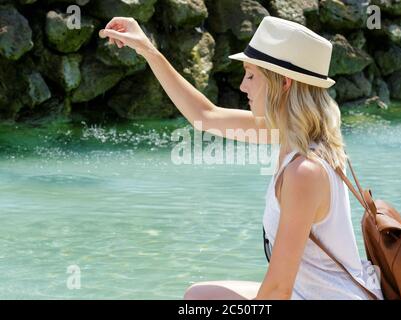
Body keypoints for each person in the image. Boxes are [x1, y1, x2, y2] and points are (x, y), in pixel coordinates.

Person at [99, 15, 383, 300]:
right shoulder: (298, 134)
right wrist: (148, 49)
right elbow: (205, 116)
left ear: (283, 83)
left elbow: (277, 292)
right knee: (198, 296)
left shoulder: (304, 171)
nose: (242, 86)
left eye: (251, 75)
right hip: (310, 293)